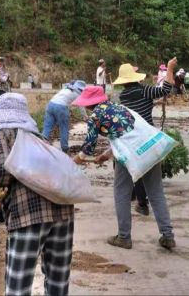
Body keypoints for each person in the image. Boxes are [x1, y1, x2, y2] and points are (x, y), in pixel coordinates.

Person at [0, 93, 74, 296]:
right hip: (63, 210)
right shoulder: (37, 136)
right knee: (58, 279)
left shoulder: (0, 133)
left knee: (18, 284)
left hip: (28, 214)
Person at [73, 86, 176, 251]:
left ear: (87, 104)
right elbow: (126, 134)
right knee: (156, 193)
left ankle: (124, 237)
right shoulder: (120, 107)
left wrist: (70, 163)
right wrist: (106, 155)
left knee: (121, 192)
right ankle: (168, 236)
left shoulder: (95, 116)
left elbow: (87, 150)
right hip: (151, 146)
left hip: (132, 154)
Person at [113, 58, 176, 217]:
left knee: (133, 169)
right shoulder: (144, 90)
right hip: (147, 136)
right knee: (146, 173)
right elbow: (166, 88)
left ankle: (136, 198)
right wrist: (169, 68)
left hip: (130, 138)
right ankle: (143, 203)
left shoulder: (123, 96)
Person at [42, 80, 87, 152]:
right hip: (61, 107)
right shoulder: (78, 93)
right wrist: (85, 117)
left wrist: (68, 109)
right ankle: (64, 147)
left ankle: (42, 144)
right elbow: (81, 107)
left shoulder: (66, 89)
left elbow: (65, 100)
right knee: (64, 127)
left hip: (50, 104)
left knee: (47, 126)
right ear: (81, 89)